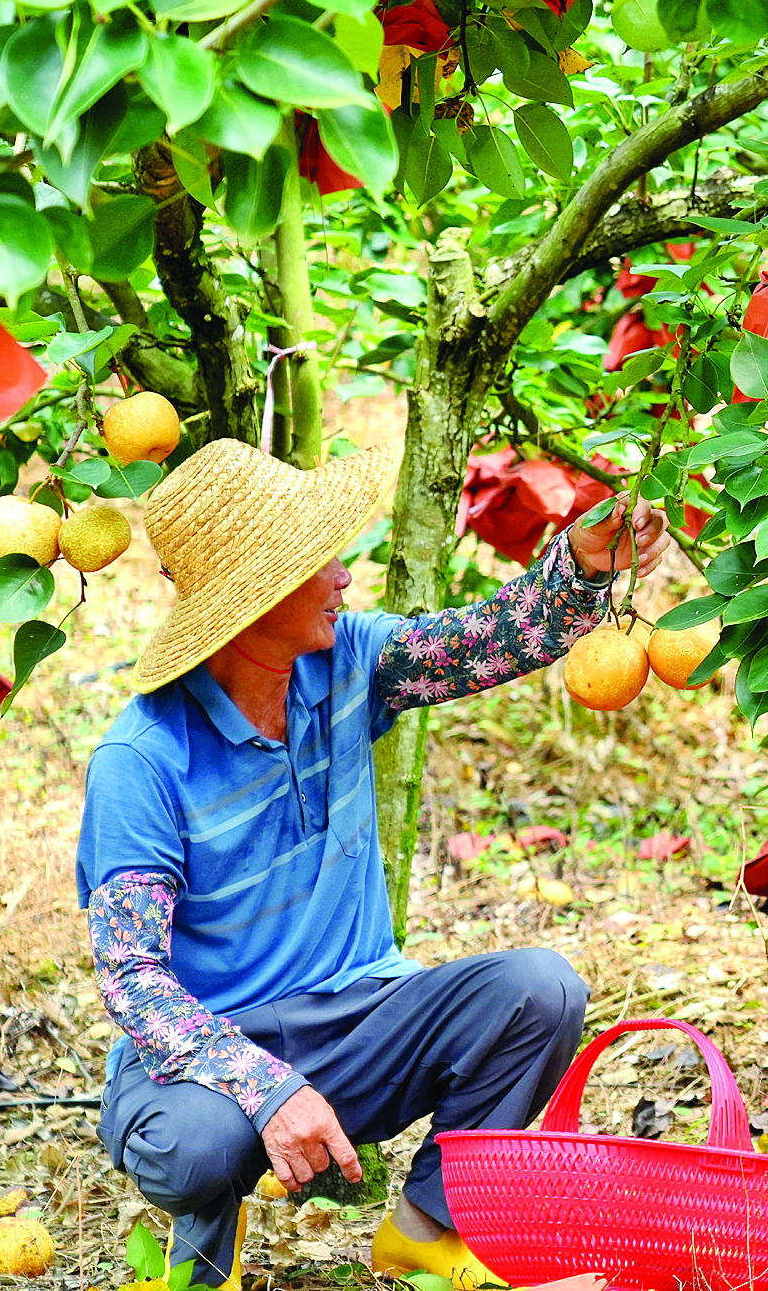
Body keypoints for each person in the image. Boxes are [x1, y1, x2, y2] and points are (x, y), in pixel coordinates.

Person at [78, 438, 668, 1289]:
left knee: (540, 992)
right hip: (216, 1052)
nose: (344, 578)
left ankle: (426, 1229)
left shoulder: (351, 662)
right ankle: (203, 1256)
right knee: (194, 1149)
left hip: (361, 1018)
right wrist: (264, 1088)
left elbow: (485, 641)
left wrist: (579, 565)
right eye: (320, 564)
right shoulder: (142, 760)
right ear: (258, 593)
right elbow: (133, 978)